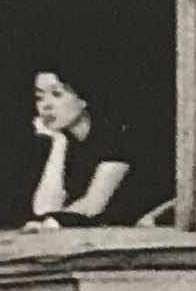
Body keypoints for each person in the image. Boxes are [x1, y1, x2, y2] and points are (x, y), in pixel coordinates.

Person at [28, 68, 131, 225]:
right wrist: (59, 142)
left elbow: (93, 205)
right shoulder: (55, 141)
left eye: (57, 94)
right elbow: (44, 209)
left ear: (82, 99)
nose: (46, 106)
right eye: (40, 97)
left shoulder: (115, 138)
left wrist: (54, 222)